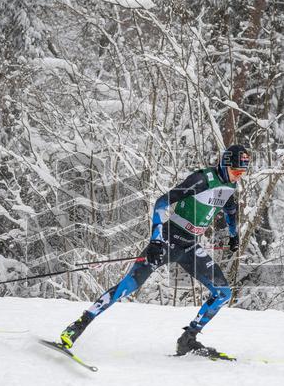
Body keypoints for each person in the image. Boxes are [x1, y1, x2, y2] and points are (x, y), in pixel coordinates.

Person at [59, 144, 250, 359]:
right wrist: (156, 240)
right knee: (127, 287)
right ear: (224, 165)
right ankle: (76, 328)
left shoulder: (230, 187)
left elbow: (231, 212)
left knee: (223, 293)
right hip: (167, 240)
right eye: (235, 172)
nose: (237, 177)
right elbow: (162, 202)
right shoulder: (202, 180)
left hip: (189, 247)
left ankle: (188, 340)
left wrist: (234, 236)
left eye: (241, 174)